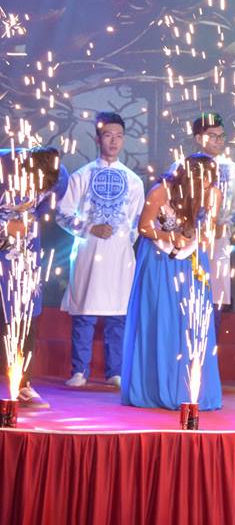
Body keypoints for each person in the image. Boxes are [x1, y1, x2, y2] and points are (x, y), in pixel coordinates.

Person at [121, 153, 222, 410]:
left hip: (193, 263)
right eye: (203, 180)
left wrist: (196, 238)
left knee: (192, 324)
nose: (207, 185)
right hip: (159, 261)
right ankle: (155, 388)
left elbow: (209, 230)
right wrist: (170, 237)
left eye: (211, 180)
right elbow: (144, 227)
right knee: (162, 318)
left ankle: (191, 390)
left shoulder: (213, 195)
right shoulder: (161, 191)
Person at [57, 113, 144, 389]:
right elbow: (62, 213)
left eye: (119, 136)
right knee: (84, 311)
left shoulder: (134, 181)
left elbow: (137, 222)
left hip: (120, 256)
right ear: (98, 139)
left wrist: (121, 242)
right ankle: (79, 370)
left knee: (118, 313)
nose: (114, 141)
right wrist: (90, 228)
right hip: (88, 252)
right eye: (108, 135)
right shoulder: (81, 176)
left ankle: (114, 371)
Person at [0, 146, 61, 408]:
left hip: (26, 256)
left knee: (25, 318)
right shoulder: (3, 168)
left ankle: (23, 385)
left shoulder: (58, 174)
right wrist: (5, 227)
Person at [188, 113, 235, 310]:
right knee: (187, 295)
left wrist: (226, 227)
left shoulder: (234, 170)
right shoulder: (182, 167)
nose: (219, 141)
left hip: (218, 241)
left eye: (221, 136)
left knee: (214, 297)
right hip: (188, 241)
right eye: (213, 136)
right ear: (198, 138)